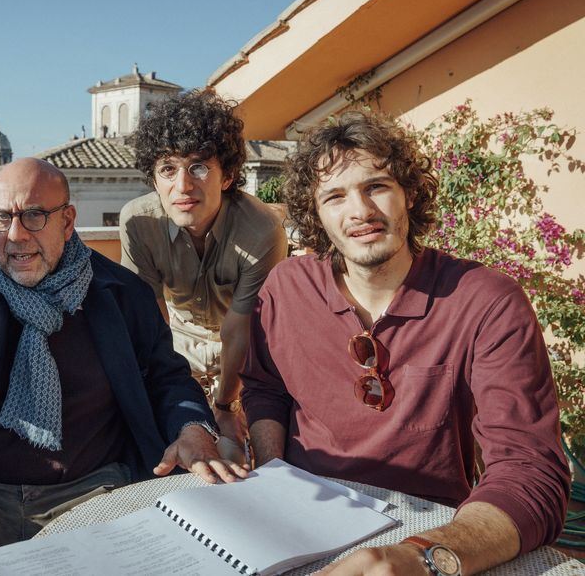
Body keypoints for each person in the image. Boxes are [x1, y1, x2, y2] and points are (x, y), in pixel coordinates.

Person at [0, 157, 247, 574]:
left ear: (67, 222)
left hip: (93, 491)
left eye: (33, 216)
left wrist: (193, 429)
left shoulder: (120, 294)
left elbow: (167, 377)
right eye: (0, 217)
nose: (14, 235)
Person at [243, 112, 569, 575]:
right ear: (315, 214)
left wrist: (424, 556)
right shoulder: (286, 287)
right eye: (334, 196)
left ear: (409, 195)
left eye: (376, 186)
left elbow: (530, 472)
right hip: (296, 519)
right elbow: (265, 390)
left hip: (428, 530)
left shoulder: (486, 301)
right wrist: (272, 477)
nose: (359, 212)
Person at [120, 90, 287, 449]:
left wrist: (226, 406)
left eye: (198, 167)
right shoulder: (137, 223)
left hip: (249, 360)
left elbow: (240, 328)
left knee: (238, 455)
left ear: (226, 176)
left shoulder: (261, 230)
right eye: (168, 169)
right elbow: (148, 320)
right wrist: (173, 392)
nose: (182, 185)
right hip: (178, 352)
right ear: (154, 179)